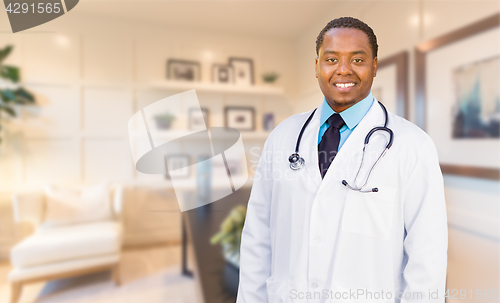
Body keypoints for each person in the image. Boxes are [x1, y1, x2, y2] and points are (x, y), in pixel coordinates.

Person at [236, 17, 447, 303]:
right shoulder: (283, 137)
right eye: (331, 59)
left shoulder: (413, 145)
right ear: (317, 66)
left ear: (374, 66)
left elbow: (427, 256)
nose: (343, 70)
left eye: (357, 59)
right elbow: (257, 238)